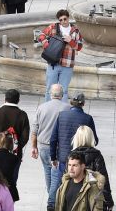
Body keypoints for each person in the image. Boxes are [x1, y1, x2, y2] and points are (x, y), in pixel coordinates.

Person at [31, 83, 68, 211]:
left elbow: (35, 129)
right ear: (62, 95)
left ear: (50, 94)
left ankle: (51, 197)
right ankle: (53, 200)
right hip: (59, 147)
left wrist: (34, 147)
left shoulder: (42, 107)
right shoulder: (67, 108)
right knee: (57, 174)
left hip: (43, 146)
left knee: (48, 172)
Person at [0, 88, 30, 188]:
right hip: (15, 155)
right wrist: (14, 147)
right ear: (18, 100)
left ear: (4, 99)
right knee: (12, 182)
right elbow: (25, 137)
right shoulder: (22, 115)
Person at [51, 92, 97, 180]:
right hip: (81, 160)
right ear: (83, 103)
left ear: (71, 102)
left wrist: (53, 157)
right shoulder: (88, 118)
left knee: (63, 185)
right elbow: (95, 140)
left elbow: (53, 139)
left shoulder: (61, 116)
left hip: (64, 159)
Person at [38, 9, 83, 99]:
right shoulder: (53, 27)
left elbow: (79, 47)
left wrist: (71, 41)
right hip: (53, 63)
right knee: (49, 89)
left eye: (65, 19)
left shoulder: (75, 31)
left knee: (64, 90)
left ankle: (62, 111)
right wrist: (46, 44)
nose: (63, 21)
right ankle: (48, 109)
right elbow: (41, 35)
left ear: (68, 18)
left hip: (67, 64)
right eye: (61, 20)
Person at [69, 125, 112, 210]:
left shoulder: (71, 156)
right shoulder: (97, 156)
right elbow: (104, 180)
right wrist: (109, 201)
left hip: (75, 198)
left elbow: (66, 179)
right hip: (93, 199)